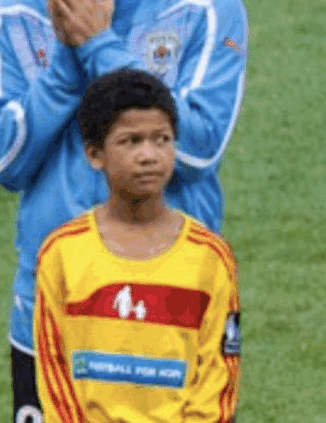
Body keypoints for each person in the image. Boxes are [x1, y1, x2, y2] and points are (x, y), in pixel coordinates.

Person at [0, 0, 247, 422]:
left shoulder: (203, 6)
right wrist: (69, 65)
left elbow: (197, 148)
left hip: (172, 303)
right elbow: (2, 160)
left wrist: (99, 44)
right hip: (55, 307)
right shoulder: (20, 14)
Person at [35, 69, 240, 422]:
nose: (149, 155)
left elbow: (219, 379)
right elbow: (54, 370)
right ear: (95, 154)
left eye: (161, 139)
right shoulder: (62, 253)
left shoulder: (210, 257)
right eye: (131, 141)